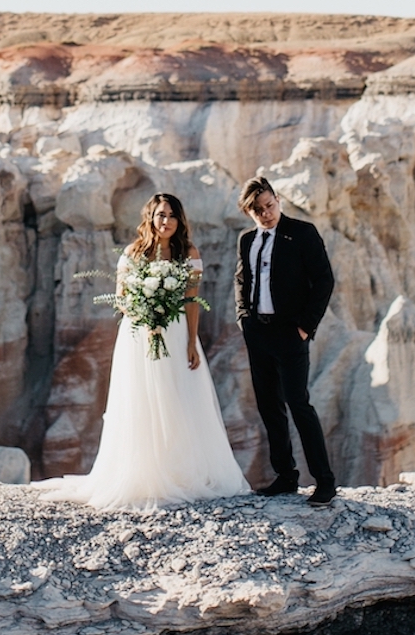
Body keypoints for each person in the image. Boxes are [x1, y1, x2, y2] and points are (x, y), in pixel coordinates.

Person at [33, 192, 249, 510]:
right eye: (161, 215)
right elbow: (121, 298)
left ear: (180, 220)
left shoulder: (188, 252)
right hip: (139, 337)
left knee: (179, 398)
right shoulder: (134, 253)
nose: (167, 222)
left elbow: (191, 302)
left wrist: (191, 342)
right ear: (150, 217)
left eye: (172, 216)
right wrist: (145, 316)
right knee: (141, 400)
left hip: (175, 335)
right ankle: (144, 474)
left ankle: (180, 471)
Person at [234, 175, 336, 504]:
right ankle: (286, 476)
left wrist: (305, 327)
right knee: (269, 406)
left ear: (278, 199)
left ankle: (324, 480)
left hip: (290, 333)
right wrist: (243, 318)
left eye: (270, 205)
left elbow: (323, 280)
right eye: (258, 210)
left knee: (298, 403)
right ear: (249, 212)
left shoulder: (302, 233)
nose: (267, 213)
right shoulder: (246, 240)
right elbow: (241, 279)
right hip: (258, 332)